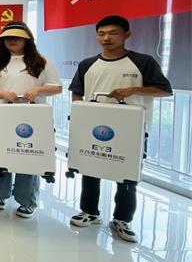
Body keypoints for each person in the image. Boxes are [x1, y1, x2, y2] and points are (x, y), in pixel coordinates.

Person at [68, 15, 172, 242]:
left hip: (131, 130)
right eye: (102, 34)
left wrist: (133, 90)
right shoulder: (87, 64)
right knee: (90, 168)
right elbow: (77, 92)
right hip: (94, 127)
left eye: (113, 33)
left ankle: (122, 219)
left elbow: (165, 90)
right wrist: (81, 113)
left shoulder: (143, 62)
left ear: (127, 35)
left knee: (127, 175)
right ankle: (89, 212)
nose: (106, 38)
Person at [0, 22, 62, 218]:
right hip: (3, 115)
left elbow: (57, 87)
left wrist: (38, 89)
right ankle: (0, 194)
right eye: (8, 38)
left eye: (16, 37)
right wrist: (2, 93)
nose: (12, 41)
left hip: (32, 118)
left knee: (27, 156)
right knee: (2, 154)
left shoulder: (41, 62)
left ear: (27, 40)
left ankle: (27, 200)